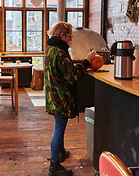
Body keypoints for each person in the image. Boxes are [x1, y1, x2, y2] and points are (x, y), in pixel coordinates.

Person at [44, 22, 96, 176]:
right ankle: (54, 165)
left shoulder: (50, 49)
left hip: (53, 95)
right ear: (62, 35)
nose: (70, 39)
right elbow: (72, 76)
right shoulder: (60, 52)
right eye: (70, 36)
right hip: (61, 97)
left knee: (59, 126)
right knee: (59, 130)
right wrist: (86, 61)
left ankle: (60, 152)